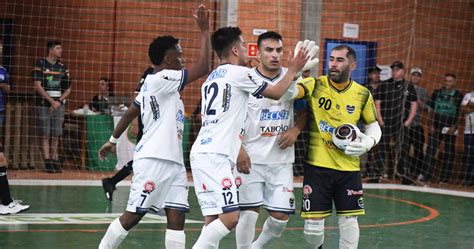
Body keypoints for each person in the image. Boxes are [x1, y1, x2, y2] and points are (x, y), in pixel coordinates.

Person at [98, 5, 210, 249]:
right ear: (168, 59)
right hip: (154, 160)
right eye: (180, 54)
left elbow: (130, 112)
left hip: (174, 163)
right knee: (133, 215)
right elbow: (204, 68)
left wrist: (112, 140)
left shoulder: (154, 84)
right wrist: (204, 30)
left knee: (177, 216)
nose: (183, 58)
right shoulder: (163, 78)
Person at [189, 26, 309, 249]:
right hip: (219, 155)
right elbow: (274, 92)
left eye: (278, 50)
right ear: (235, 50)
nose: (247, 50)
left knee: (213, 219)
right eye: (244, 45)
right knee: (232, 217)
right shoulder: (242, 75)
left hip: (203, 152)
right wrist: (293, 70)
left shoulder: (212, 77)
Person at [283, 45, 381, 248]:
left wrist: (368, 143)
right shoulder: (315, 84)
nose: (333, 64)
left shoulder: (362, 94)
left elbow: (373, 126)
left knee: (349, 221)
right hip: (317, 167)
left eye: (340, 60)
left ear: (352, 65)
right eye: (331, 59)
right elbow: (288, 94)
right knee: (312, 227)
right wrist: (296, 72)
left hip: (349, 169)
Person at [234, 31, 308, 249]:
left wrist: (296, 129)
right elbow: (231, 119)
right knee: (248, 213)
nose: (275, 55)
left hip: (281, 161)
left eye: (279, 50)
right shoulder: (246, 78)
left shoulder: (294, 77)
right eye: (269, 50)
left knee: (280, 217)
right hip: (250, 159)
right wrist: (238, 149)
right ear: (258, 52)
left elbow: (304, 113)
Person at [101, 66, 154, 202]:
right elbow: (137, 95)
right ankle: (144, 195)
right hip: (147, 122)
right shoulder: (150, 72)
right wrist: (136, 120)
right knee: (145, 159)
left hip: (156, 124)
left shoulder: (168, 73)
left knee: (146, 160)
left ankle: (112, 182)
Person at [373, 61, 417, 182]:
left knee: (403, 149)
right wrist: (380, 119)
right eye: (393, 69)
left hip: (402, 123)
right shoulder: (384, 85)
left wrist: (408, 121)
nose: (395, 71)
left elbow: (414, 104)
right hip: (386, 121)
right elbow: (377, 103)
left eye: (397, 69)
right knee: (381, 147)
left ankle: (403, 175)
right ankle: (378, 174)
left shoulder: (409, 86)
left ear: (403, 71)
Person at [32, 40, 71, 173]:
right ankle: (47, 160)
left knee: (56, 134)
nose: (60, 51)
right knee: (45, 133)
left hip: (59, 104)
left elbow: (68, 89)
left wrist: (58, 101)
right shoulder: (40, 64)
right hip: (43, 104)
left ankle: (55, 160)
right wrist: (50, 101)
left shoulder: (63, 67)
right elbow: (37, 85)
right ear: (51, 49)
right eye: (58, 48)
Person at [0, 43, 29, 214]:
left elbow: (8, 88)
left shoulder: (3, 70)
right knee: (1, 159)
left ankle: (6, 201)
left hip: (0, 112)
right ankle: (6, 202)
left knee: (1, 158)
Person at [422, 74, 463, 184]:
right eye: (446, 81)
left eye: (450, 81)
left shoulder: (459, 96)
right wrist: (430, 125)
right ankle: (426, 176)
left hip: (451, 129)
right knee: (430, 151)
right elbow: (430, 111)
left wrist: (454, 127)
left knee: (449, 153)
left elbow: (460, 114)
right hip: (436, 127)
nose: (447, 83)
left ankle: (444, 178)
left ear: (454, 83)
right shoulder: (436, 93)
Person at [400, 67, 429, 183]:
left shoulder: (424, 91)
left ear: (420, 77)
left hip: (417, 125)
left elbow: (427, 108)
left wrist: (416, 100)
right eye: (413, 75)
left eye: (418, 75)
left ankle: (418, 173)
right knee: (404, 150)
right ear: (410, 76)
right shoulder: (404, 88)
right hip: (404, 124)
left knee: (418, 150)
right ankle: (404, 172)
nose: (415, 77)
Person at [461, 89, 474, 186]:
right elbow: (463, 109)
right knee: (469, 155)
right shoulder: (468, 95)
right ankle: (469, 178)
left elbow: (467, 107)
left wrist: (471, 105)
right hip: (469, 131)